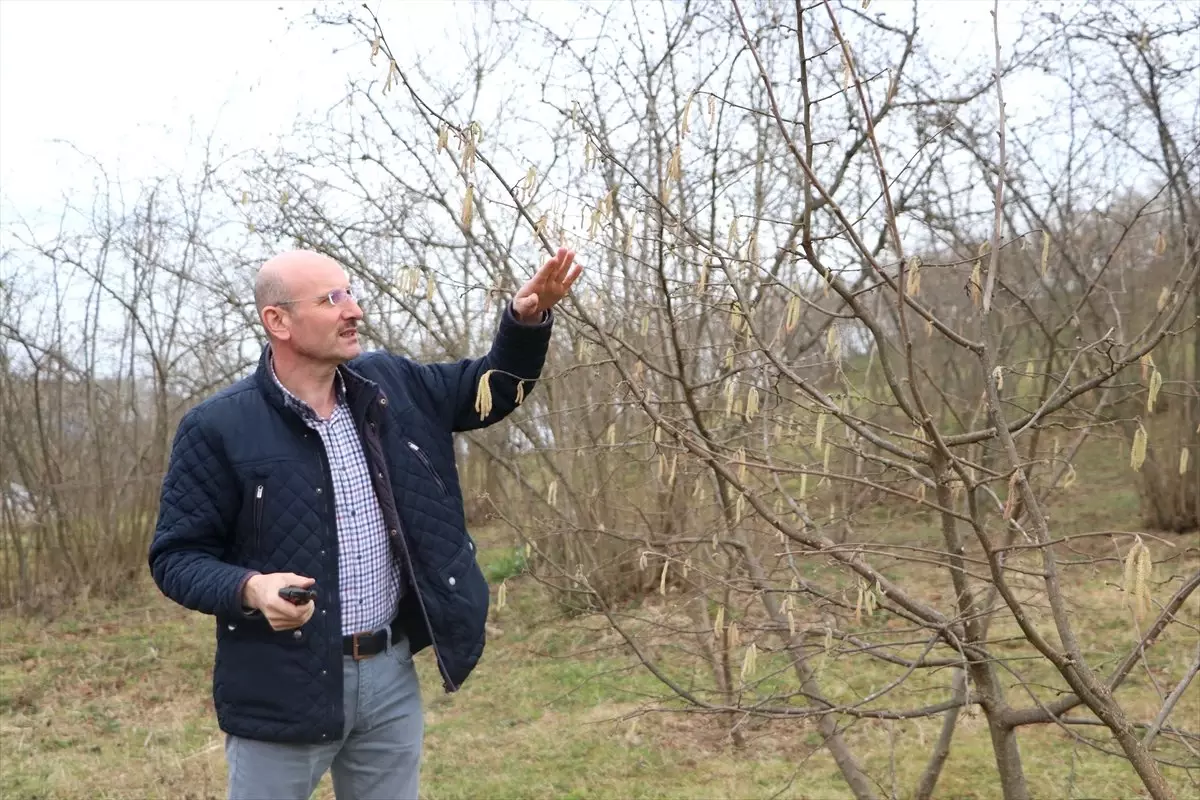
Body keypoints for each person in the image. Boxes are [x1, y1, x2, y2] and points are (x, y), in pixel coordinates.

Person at [148, 246, 582, 800]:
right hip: (280, 684)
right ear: (277, 320)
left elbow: (489, 392)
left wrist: (524, 323)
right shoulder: (217, 427)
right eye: (332, 299)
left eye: (350, 293)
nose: (354, 310)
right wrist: (250, 588)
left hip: (389, 674)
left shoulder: (390, 386)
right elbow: (176, 557)